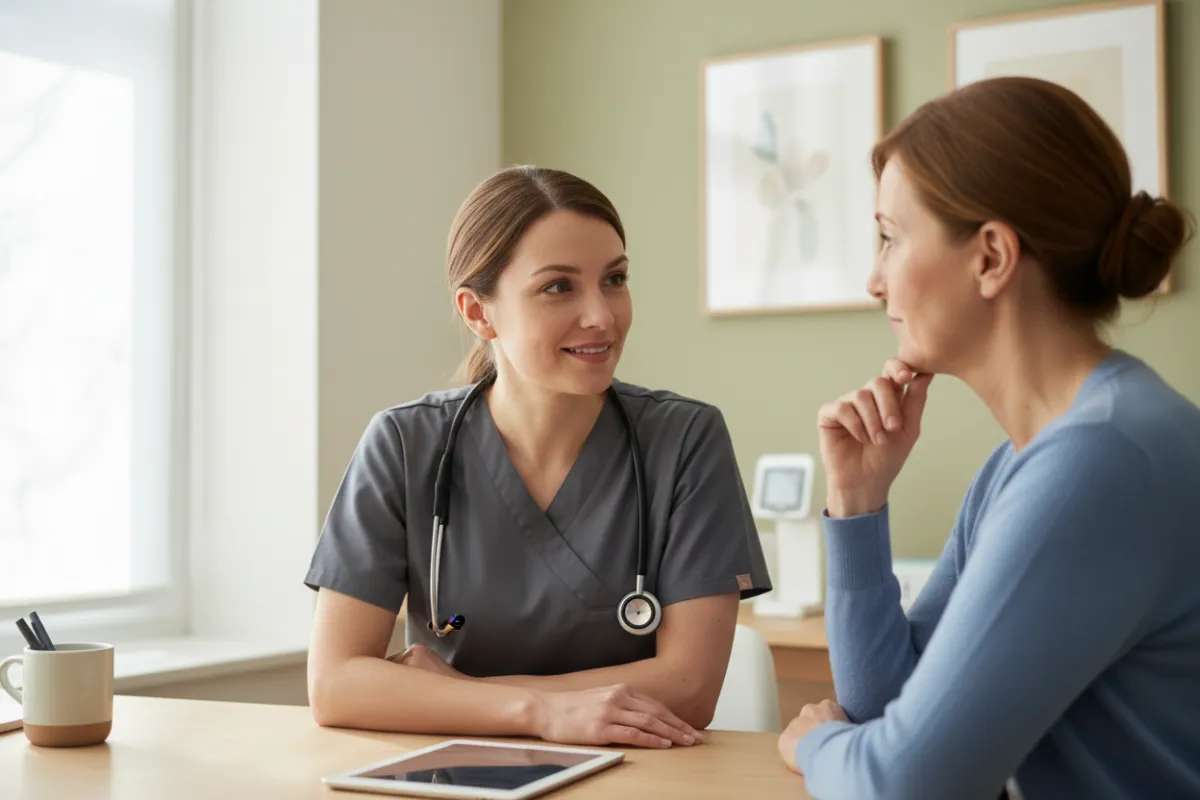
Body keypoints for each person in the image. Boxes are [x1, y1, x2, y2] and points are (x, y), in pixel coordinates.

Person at [777, 76, 1200, 798]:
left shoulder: (1099, 463)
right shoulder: (1028, 462)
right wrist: (857, 502)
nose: (873, 281)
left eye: (888, 238)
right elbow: (889, 704)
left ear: (991, 257)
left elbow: (904, 784)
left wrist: (816, 742)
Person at [304, 165, 771, 749]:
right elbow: (336, 684)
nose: (602, 315)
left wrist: (458, 694)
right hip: (458, 774)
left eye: (616, 279)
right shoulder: (403, 446)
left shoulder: (684, 440)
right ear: (478, 312)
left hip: (641, 777)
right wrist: (539, 713)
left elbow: (689, 686)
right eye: (558, 286)